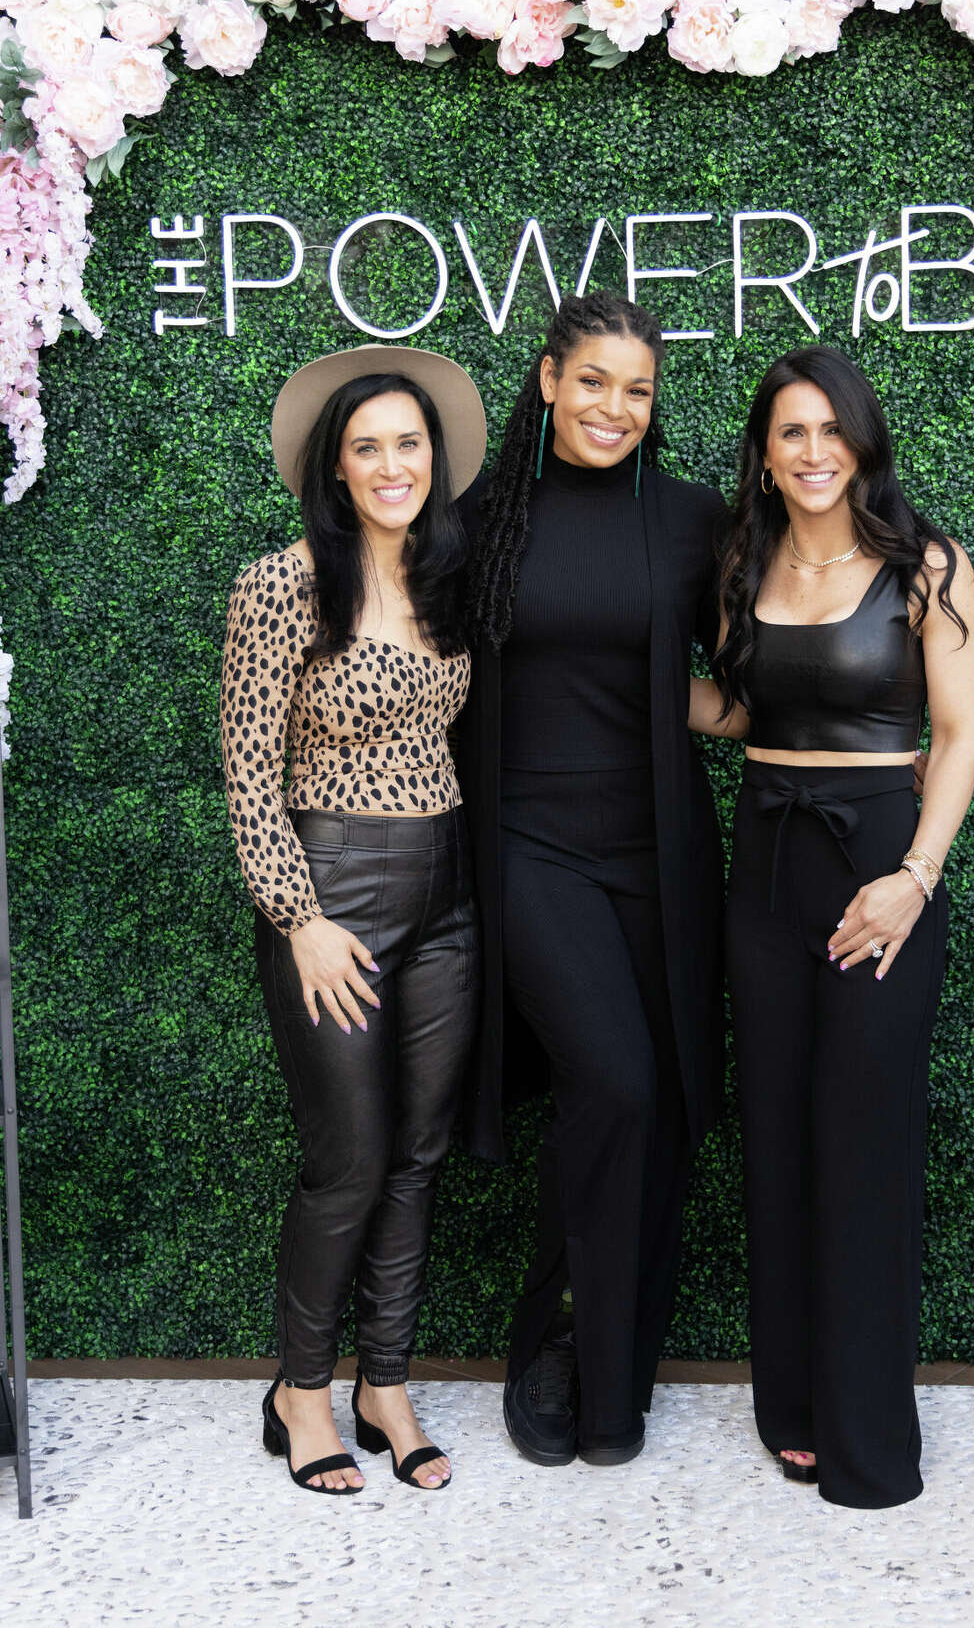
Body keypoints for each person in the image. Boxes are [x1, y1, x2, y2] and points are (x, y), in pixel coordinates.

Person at [690, 344, 974, 1509]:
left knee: (864, 1149)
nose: (813, 452)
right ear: (763, 452)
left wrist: (914, 875)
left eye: (831, 429)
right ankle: (794, 1406)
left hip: (879, 868)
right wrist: (630, 681)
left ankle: (870, 1436)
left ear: (862, 439)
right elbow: (742, 711)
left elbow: (957, 736)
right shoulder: (740, 560)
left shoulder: (928, 565)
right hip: (765, 861)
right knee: (777, 1139)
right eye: (790, 432)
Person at [455, 290, 728, 1466]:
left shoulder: (689, 519)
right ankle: (552, 1339)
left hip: (660, 851)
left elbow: (731, 680)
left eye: (639, 389)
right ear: (551, 380)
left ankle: (616, 1378)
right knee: (612, 1080)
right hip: (527, 846)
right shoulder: (474, 523)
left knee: (657, 1108)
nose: (615, 407)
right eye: (595, 381)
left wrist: (852, 741)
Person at [219, 345, 486, 1494]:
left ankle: (385, 1381)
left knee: (419, 1156)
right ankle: (303, 1390)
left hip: (449, 892)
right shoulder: (279, 585)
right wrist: (300, 917)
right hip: (336, 891)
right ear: (335, 465)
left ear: (435, 459)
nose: (391, 464)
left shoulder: (446, 575)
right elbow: (246, 770)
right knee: (349, 1161)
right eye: (368, 445)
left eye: (408, 444)